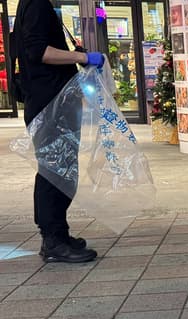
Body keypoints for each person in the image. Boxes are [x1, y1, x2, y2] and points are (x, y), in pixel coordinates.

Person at [16, 0, 105, 263]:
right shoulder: (36, 5)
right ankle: (52, 240)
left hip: (55, 102)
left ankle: (59, 234)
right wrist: (82, 57)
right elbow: (39, 51)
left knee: (63, 170)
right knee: (53, 171)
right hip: (48, 105)